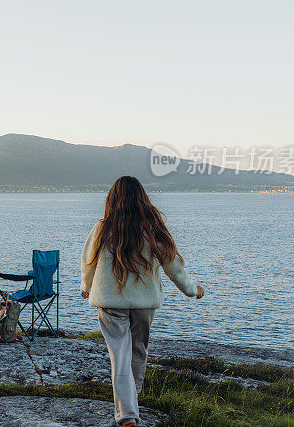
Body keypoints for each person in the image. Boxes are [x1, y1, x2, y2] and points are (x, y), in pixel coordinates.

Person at [81, 176, 205, 427]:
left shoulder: (103, 227)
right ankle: (130, 404)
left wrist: (86, 287)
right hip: (144, 303)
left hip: (110, 301)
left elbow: (89, 262)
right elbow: (174, 267)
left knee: (120, 355)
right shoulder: (153, 227)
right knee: (139, 351)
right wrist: (192, 290)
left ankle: (127, 413)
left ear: (112, 198)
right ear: (143, 198)